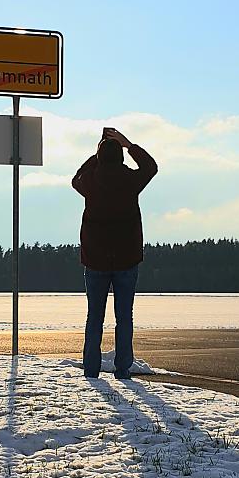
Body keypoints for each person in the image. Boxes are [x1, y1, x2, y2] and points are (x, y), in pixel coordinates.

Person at [72, 127, 158, 379]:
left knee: (94, 317)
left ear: (99, 157)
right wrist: (128, 144)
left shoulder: (91, 181)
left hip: (96, 261)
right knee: (125, 317)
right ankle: (123, 369)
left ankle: (91, 370)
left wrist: (95, 154)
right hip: (126, 259)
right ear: (120, 157)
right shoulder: (130, 180)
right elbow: (150, 167)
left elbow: (76, 178)